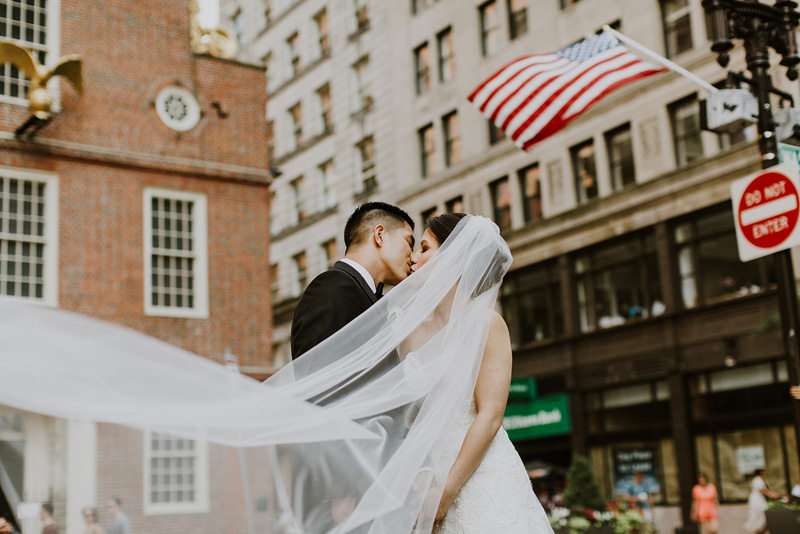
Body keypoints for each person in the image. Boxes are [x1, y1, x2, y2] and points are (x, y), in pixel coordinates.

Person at [410, 213, 550, 532]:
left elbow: (489, 416)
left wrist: (447, 491)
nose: (413, 259)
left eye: (424, 248)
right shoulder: (411, 332)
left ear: (454, 257)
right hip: (426, 483)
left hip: (480, 479)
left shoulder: (486, 323)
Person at [291, 201, 415, 359]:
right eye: (409, 243)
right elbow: (317, 373)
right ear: (380, 236)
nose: (413, 255)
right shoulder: (330, 289)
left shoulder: (363, 294)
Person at [744, 469, 781, 534]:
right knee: (761, 513)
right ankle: (756, 529)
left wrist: (773, 494)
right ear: (761, 473)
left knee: (762, 514)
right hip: (757, 499)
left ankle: (760, 530)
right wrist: (773, 495)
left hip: (759, 498)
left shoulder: (759, 480)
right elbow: (763, 490)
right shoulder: (757, 480)